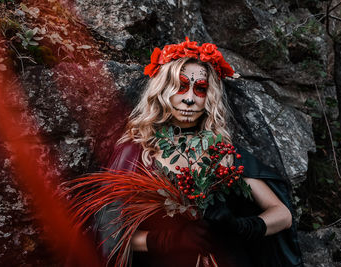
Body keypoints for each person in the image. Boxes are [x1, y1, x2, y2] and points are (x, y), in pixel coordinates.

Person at [91, 37, 304, 267]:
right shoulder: (138, 151)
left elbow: (282, 215)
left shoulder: (222, 151)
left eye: (200, 89)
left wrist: (240, 227)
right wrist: (167, 240)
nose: (190, 98)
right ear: (163, 90)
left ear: (209, 97)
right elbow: (109, 232)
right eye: (181, 86)